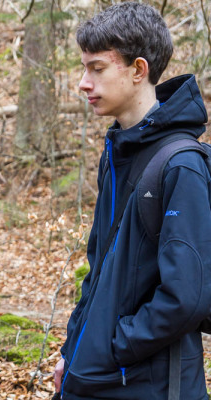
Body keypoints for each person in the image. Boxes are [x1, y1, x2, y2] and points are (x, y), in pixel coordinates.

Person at [54, 3, 210, 399]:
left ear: (138, 70)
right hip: (94, 378)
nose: (83, 83)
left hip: (146, 385)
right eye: (84, 68)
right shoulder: (118, 153)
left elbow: (186, 298)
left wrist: (114, 348)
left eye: (97, 68)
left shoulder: (181, 165)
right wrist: (72, 350)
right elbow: (100, 269)